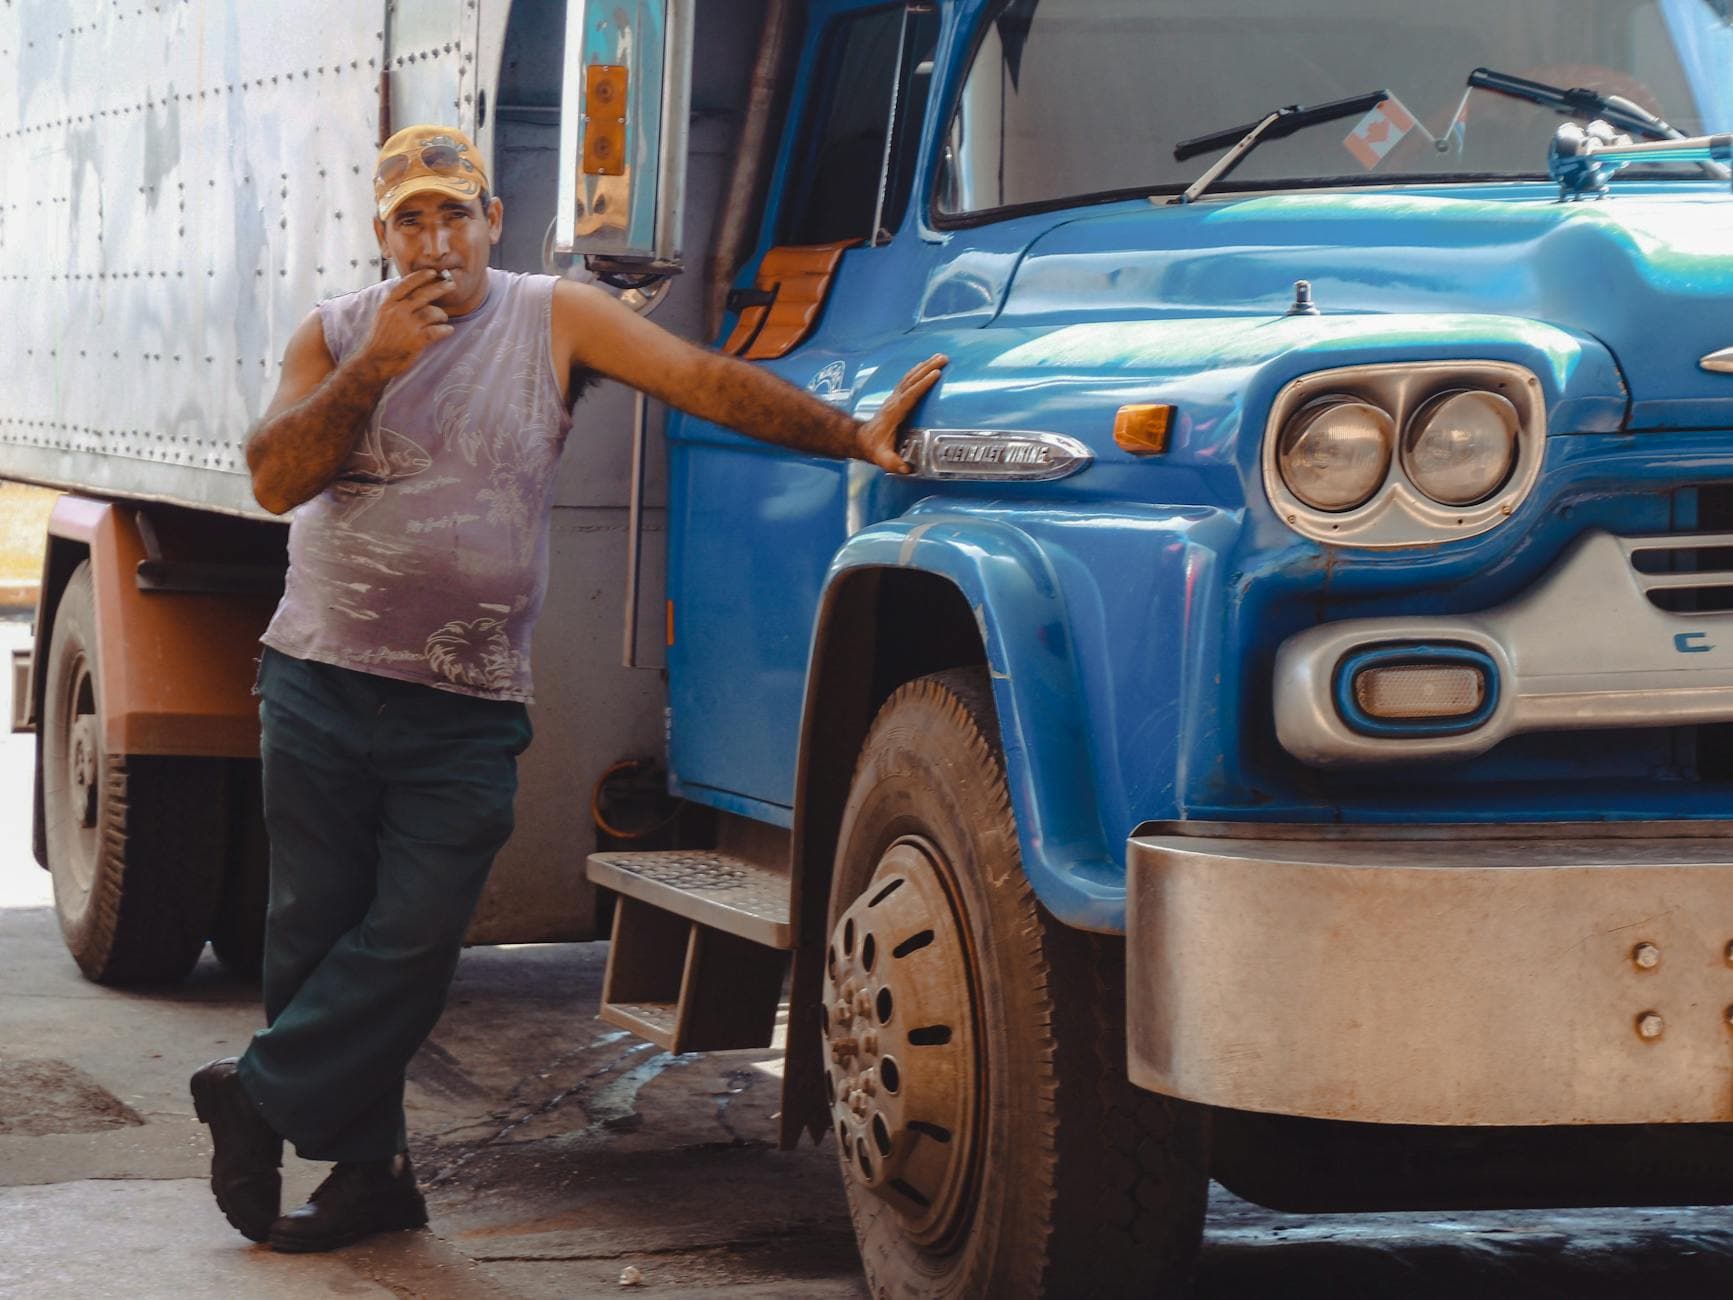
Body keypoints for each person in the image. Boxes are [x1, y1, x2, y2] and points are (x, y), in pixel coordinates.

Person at [189, 124, 944, 1253]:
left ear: (494, 219)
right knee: (313, 935)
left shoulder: (556, 316)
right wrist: (374, 367)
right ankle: (369, 1174)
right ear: (380, 235)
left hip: (468, 704)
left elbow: (702, 381)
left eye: (456, 213)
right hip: (320, 683)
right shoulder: (338, 334)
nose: (436, 241)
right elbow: (273, 478)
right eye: (411, 220)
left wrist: (849, 437)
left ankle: (255, 1096)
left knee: (411, 936)